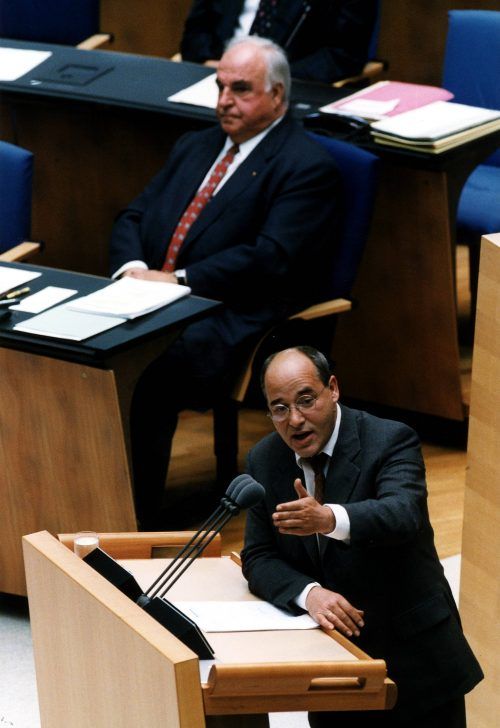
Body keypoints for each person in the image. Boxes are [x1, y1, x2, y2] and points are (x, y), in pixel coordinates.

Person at [109, 37, 341, 529]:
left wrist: (176, 279)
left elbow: (270, 259)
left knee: (141, 368)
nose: (224, 101)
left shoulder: (305, 166)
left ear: (277, 95)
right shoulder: (195, 145)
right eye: (220, 87)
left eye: (241, 89)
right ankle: (89, 494)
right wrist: (132, 268)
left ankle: (135, 521)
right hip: (149, 295)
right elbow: (133, 215)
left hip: (227, 315)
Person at [241, 346, 483, 727]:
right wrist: (309, 594)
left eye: (306, 400)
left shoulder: (389, 439)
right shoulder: (265, 459)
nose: (296, 420)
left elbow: (402, 513)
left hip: (414, 663)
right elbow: (258, 556)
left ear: (333, 389)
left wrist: (329, 518)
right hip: (335, 671)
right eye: (280, 408)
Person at [180, 0, 379, 85]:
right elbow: (196, 31)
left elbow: (343, 56)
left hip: (289, 86)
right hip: (215, 79)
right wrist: (213, 63)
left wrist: (268, 75)